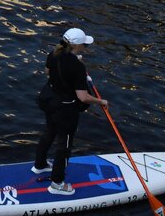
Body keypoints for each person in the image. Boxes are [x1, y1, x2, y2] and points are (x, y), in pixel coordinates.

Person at [32, 27, 108, 195]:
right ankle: (57, 184)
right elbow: (83, 97)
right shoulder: (77, 67)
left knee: (50, 132)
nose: (85, 47)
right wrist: (100, 101)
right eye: (84, 45)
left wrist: (74, 62)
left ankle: (40, 165)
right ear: (77, 46)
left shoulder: (54, 53)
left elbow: (48, 72)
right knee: (64, 146)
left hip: (48, 100)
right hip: (64, 109)